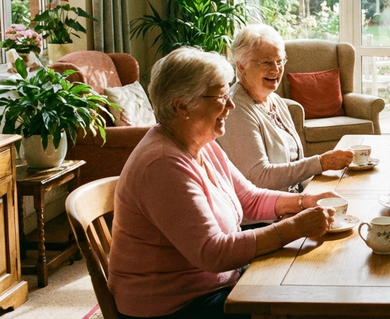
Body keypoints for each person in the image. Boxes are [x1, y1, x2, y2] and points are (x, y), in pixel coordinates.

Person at [108, 47, 343, 318]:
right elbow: (213, 252)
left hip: (216, 284)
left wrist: (303, 201)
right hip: (175, 306)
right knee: (302, 305)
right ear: (182, 105)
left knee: (308, 281)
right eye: (221, 96)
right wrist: (295, 227)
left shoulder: (203, 145)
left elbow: (250, 198)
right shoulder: (162, 164)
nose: (230, 105)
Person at [218, 24, 353, 192]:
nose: (275, 69)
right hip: (267, 214)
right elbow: (259, 178)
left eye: (279, 61)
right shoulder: (236, 110)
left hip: (294, 197)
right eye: (266, 62)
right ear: (241, 66)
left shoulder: (275, 101)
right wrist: (321, 163)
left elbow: (295, 164)